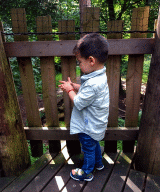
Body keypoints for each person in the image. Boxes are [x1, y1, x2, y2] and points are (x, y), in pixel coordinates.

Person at [58, 33, 109, 181]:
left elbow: (79, 102)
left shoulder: (93, 83)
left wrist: (69, 90)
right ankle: (98, 164)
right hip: (96, 123)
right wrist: (75, 86)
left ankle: (86, 172)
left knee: (87, 148)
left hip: (89, 125)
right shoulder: (100, 76)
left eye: (79, 62)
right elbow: (90, 91)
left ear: (91, 60)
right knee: (94, 144)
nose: (79, 65)